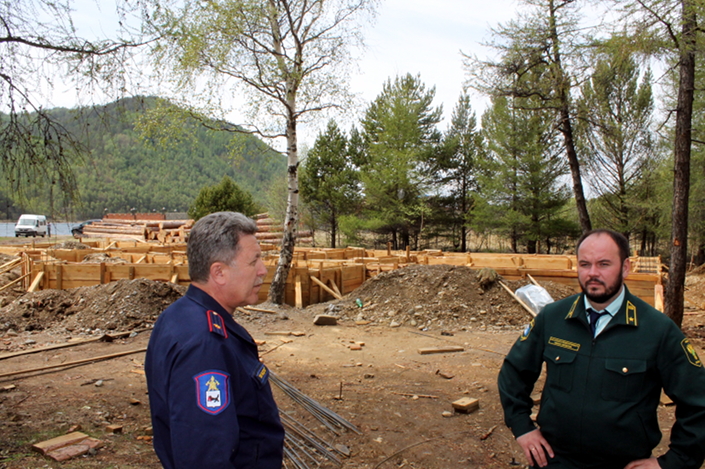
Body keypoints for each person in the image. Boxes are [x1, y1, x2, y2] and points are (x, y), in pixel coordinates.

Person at [498, 229, 705, 469]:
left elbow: (698, 402)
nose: (593, 273)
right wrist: (522, 427)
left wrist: (672, 462)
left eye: (604, 264)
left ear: (625, 267)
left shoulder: (657, 330)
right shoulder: (553, 318)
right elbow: (513, 372)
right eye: (585, 264)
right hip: (554, 460)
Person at [145, 211, 284, 469]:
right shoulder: (205, 345)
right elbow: (205, 455)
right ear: (218, 272)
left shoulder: (179, 315)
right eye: (254, 261)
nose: (263, 271)